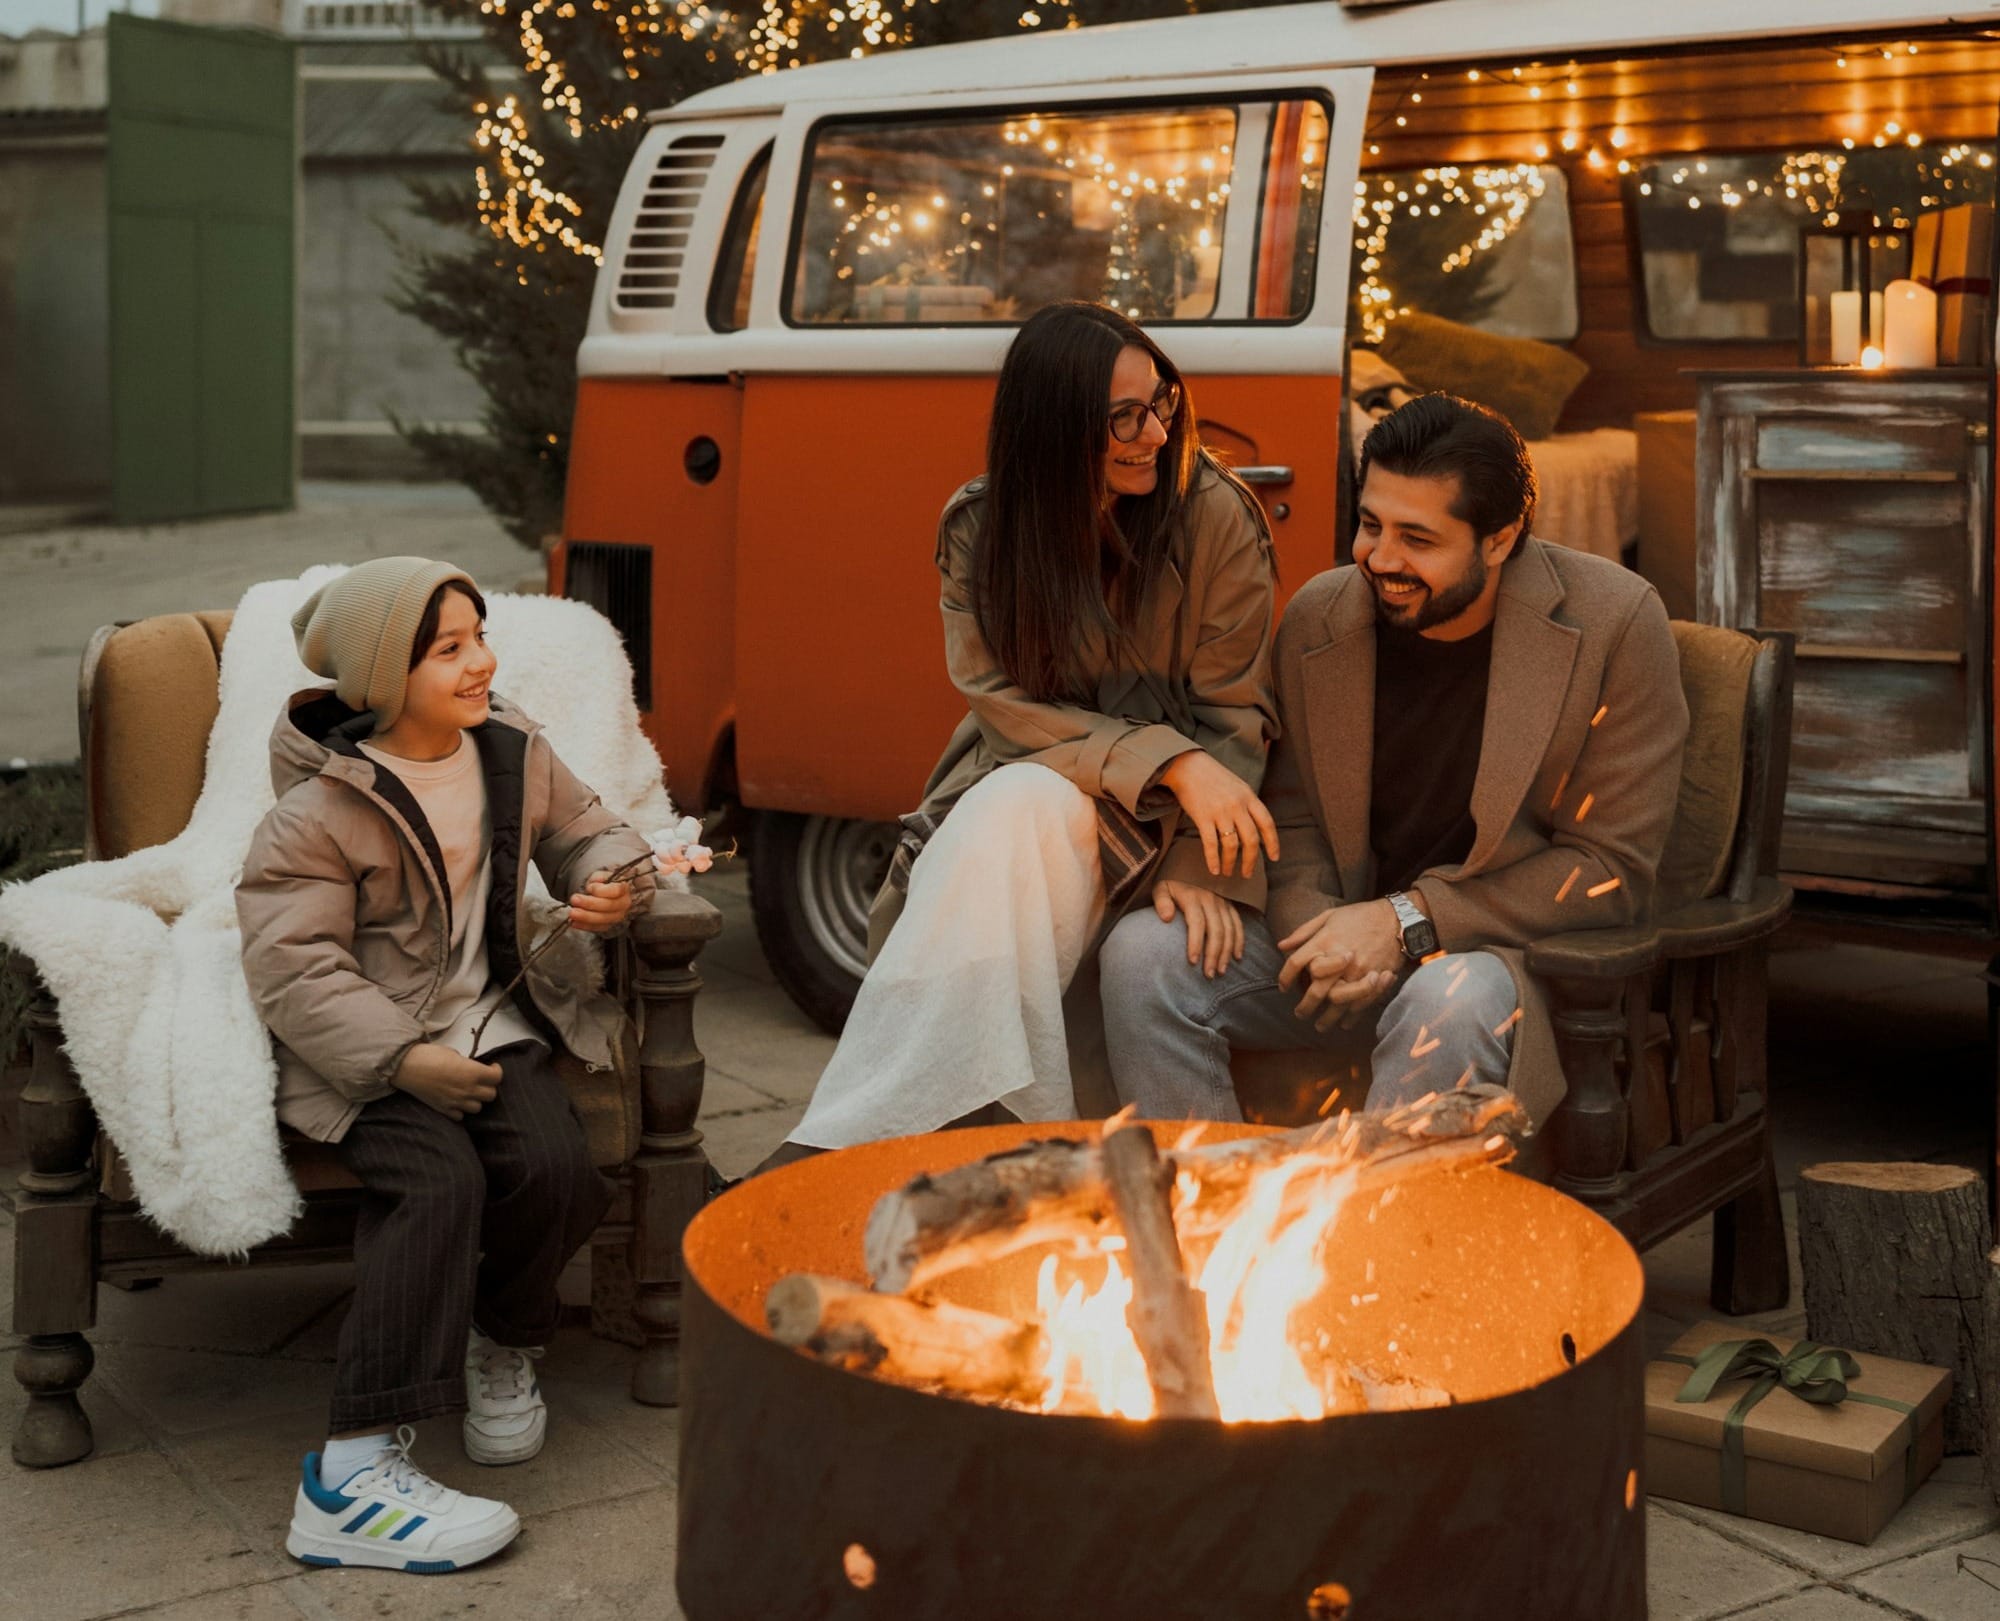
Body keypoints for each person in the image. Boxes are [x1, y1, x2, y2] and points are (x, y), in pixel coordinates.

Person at [769, 301, 1280, 1163]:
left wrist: (1203, 861)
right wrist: (1170, 761)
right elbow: (1001, 703)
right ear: (1052, 427)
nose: (1157, 434)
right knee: (1019, 804)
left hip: (1164, 819)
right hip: (1026, 775)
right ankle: (984, 1144)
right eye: (1123, 417)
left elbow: (1238, 713)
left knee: (1015, 817)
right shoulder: (981, 527)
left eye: (1162, 401)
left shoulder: (1214, 515)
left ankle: (841, 1150)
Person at [1100, 392, 1689, 1128]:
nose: (1380, 559)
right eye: (1371, 524)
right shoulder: (1319, 615)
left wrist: (1407, 921)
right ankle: (1205, 1194)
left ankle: (1389, 1205)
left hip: (1501, 961)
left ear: (1500, 540)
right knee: (1142, 956)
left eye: (1418, 538)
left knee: (1449, 997)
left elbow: (1609, 869)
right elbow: (1294, 816)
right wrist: (1327, 939)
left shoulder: (1616, 621)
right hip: (1342, 943)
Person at [235, 557, 655, 1573]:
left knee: (556, 1170)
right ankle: (350, 1476)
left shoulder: (511, 748)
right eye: (448, 648)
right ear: (386, 674)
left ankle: (500, 1336)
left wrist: (608, 878)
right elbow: (293, 966)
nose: (481, 662)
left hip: (491, 1027)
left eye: (480, 636)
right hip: (364, 1055)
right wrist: (401, 1059)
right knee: (437, 1184)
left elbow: (589, 829)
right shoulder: (316, 812)